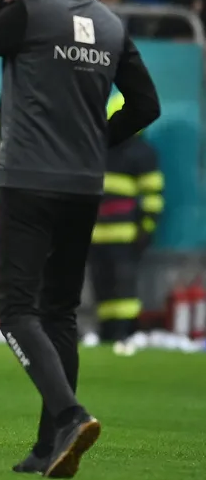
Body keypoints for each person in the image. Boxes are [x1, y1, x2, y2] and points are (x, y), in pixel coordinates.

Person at [0, 0, 161, 478]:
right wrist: (97, 141)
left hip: (28, 181)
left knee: (17, 311)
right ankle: (49, 447)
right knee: (60, 312)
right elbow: (146, 105)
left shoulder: (29, 14)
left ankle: (69, 415)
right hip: (84, 185)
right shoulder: (110, 23)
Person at [88, 91, 163, 356]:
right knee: (103, 287)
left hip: (123, 235)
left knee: (123, 289)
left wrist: (146, 228)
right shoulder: (102, 148)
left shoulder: (141, 153)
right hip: (98, 235)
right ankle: (108, 334)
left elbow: (152, 194)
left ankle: (125, 332)